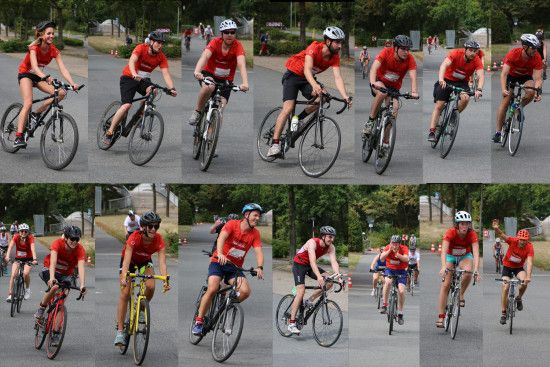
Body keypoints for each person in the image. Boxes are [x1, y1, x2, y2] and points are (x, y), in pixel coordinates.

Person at [266, 26, 353, 157]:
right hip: (293, 76)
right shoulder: (314, 48)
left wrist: (345, 96)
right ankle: (274, 144)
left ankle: (298, 119)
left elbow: (337, 77)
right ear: (328, 41)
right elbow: (307, 69)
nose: (340, 46)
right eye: (337, 42)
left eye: (341, 42)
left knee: (323, 97)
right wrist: (315, 85)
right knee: (288, 108)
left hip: (307, 80)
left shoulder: (334, 57)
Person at [192, 203, 265, 336]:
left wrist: (260, 267)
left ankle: (225, 307)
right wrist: (220, 253)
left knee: (245, 291)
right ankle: (199, 321)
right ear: (247, 215)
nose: (257, 218)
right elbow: (221, 238)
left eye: (259, 216)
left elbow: (259, 251)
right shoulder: (232, 224)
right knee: (213, 288)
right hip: (218, 262)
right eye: (255, 215)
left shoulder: (255, 233)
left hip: (234, 268)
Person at [103, 31, 177, 145]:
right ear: (151, 42)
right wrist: (134, 73)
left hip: (143, 80)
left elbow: (166, 73)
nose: (160, 45)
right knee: (126, 105)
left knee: (153, 90)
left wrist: (171, 88)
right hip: (129, 77)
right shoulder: (141, 48)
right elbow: (132, 60)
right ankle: (110, 131)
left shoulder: (161, 56)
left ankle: (140, 113)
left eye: (162, 43)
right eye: (158, 42)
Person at [15, 21, 79, 149]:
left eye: (53, 33)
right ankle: (18, 136)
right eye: (48, 33)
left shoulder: (53, 50)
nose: (51, 36)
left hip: (39, 77)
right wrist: (46, 77)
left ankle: (36, 114)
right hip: (26, 75)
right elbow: (34, 66)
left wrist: (73, 83)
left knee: (61, 93)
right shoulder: (34, 48)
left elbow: (63, 69)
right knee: (28, 103)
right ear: (41, 34)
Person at [114, 211, 170, 346]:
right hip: (130, 262)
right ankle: (120, 332)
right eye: (150, 226)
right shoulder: (134, 237)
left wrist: (165, 279)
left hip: (144, 262)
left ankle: (142, 307)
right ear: (143, 227)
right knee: (125, 293)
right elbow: (127, 259)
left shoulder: (159, 239)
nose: (153, 230)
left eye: (156, 227)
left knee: (151, 286)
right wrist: (123, 276)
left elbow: (162, 262)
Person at [188, 19, 249, 127]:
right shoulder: (215, 42)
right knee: (209, 87)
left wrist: (245, 83)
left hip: (226, 80)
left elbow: (241, 64)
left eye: (232, 32)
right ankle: (197, 111)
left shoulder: (238, 46)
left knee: (220, 108)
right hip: (209, 74)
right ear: (221, 34)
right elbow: (205, 56)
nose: (229, 35)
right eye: (226, 32)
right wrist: (197, 71)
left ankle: (211, 139)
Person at [34, 226, 87, 346]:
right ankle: (41, 309)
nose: (74, 242)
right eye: (72, 239)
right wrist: (52, 278)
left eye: (77, 239)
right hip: (49, 269)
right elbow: (52, 262)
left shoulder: (80, 249)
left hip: (65, 275)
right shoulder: (57, 243)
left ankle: (56, 332)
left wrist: (83, 285)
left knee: (62, 300)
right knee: (54, 287)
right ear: (66, 238)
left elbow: (81, 267)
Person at [363, 35, 418, 141]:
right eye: (403, 49)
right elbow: (374, 68)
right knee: (382, 93)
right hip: (379, 82)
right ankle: (370, 122)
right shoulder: (386, 52)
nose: (406, 52)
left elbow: (413, 76)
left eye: (408, 49)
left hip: (393, 88)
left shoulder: (410, 59)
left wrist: (414, 92)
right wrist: (373, 83)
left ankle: (385, 141)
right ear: (395, 48)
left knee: (395, 109)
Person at [427, 40, 484, 142]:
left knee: (465, 99)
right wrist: (441, 79)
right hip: (447, 80)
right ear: (465, 50)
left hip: (462, 83)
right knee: (440, 105)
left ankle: (453, 115)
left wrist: (479, 89)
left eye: (475, 51)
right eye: (470, 50)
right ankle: (432, 131)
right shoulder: (455, 53)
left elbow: (481, 75)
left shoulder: (476, 59)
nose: (473, 53)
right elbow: (444, 65)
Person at [288, 225, 340, 334]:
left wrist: (338, 277)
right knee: (301, 291)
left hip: (310, 266)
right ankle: (291, 323)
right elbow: (312, 262)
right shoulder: (312, 242)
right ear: (323, 237)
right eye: (329, 237)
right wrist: (319, 277)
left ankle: (309, 300)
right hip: (299, 265)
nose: (332, 239)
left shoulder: (331, 247)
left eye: (333, 237)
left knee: (329, 282)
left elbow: (334, 262)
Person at [493, 34, 543, 143]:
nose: (535, 50)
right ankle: (498, 132)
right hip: (511, 76)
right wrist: (503, 89)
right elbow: (504, 74)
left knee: (530, 91)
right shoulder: (513, 54)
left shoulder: (537, 57)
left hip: (525, 77)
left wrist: (537, 92)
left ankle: (518, 108)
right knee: (505, 101)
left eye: (537, 48)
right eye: (533, 48)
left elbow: (538, 79)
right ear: (525, 47)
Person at [436, 211, 480, 328]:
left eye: (467, 224)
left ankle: (460, 294)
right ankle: (441, 316)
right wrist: (444, 266)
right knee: (446, 284)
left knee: (468, 272)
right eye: (462, 224)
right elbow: (444, 252)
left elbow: (476, 253)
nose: (464, 226)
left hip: (465, 256)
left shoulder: (472, 234)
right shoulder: (450, 232)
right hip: (450, 256)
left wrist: (476, 270)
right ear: (457, 224)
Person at [492, 220, 534, 324]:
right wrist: (496, 228)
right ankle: (503, 312)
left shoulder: (529, 247)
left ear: (527, 240)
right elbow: (502, 235)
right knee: (505, 287)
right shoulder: (512, 241)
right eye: (520, 240)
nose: (522, 242)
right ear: (517, 238)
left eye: (524, 240)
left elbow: (529, 262)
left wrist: (528, 276)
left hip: (518, 268)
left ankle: (519, 298)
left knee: (524, 283)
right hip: (507, 267)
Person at [379, 235, 409, 325]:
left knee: (401, 291)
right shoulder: (388, 247)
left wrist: (398, 254)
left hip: (401, 271)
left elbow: (406, 259)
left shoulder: (404, 248)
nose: (394, 245)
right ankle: (385, 305)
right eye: (393, 243)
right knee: (387, 282)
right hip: (390, 270)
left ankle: (400, 313)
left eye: (396, 244)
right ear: (390, 243)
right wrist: (389, 251)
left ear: (399, 244)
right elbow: (381, 258)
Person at [4, 223, 38, 302]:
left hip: (28, 259)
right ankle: (10, 294)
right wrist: (7, 256)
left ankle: (27, 289)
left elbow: (33, 249)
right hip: (18, 259)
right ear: (19, 231)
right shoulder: (16, 237)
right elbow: (10, 247)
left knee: (25, 273)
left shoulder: (30, 238)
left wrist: (35, 259)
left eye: (25, 231)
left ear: (28, 232)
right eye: (22, 231)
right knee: (13, 275)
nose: (23, 233)